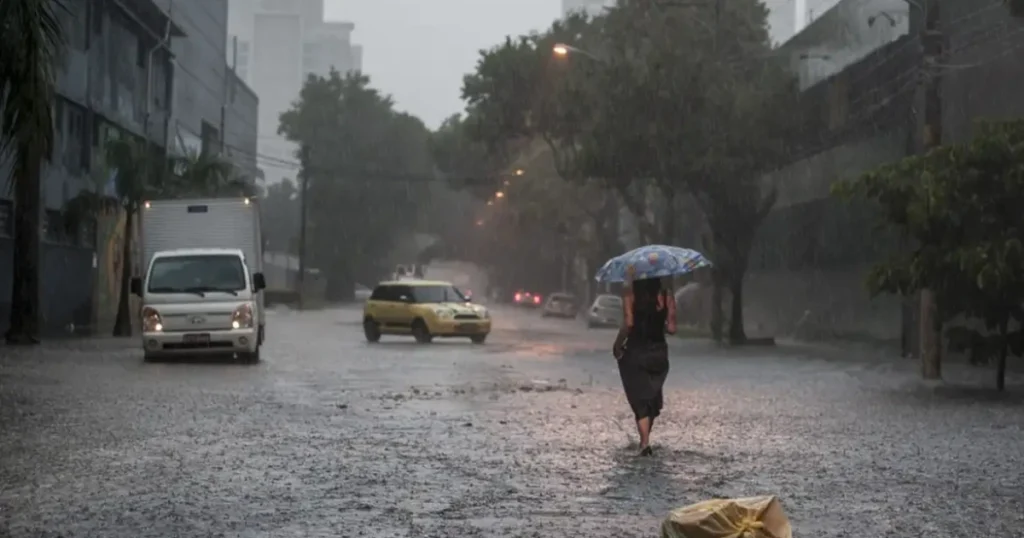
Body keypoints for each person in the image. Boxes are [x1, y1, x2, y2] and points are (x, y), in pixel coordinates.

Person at [612, 275, 676, 456]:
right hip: (659, 353)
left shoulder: (630, 295)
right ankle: (646, 439)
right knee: (651, 397)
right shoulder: (666, 296)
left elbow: (628, 324)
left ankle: (644, 443)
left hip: (636, 352)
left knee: (639, 398)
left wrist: (617, 345)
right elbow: (672, 328)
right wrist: (657, 323)